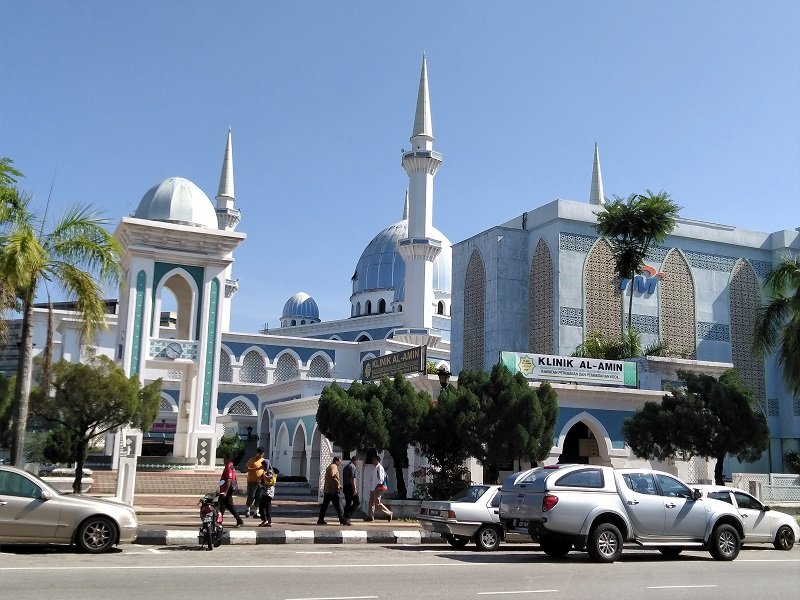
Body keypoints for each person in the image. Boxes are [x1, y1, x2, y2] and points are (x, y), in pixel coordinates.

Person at [317, 456, 345, 525]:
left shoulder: (329, 466)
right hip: (333, 490)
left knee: (325, 506)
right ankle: (342, 520)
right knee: (339, 505)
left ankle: (320, 519)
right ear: (336, 461)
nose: (340, 463)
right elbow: (333, 477)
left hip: (328, 490)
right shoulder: (334, 467)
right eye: (339, 461)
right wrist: (338, 486)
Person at [244, 447, 271, 518]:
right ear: (257, 453)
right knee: (251, 496)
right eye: (260, 453)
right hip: (252, 481)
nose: (261, 455)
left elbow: (265, 470)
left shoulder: (263, 460)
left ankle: (256, 511)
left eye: (262, 454)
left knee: (258, 497)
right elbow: (246, 469)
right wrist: (256, 469)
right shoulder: (252, 460)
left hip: (260, 482)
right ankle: (247, 508)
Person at [218, 454, 244, 527]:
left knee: (225, 505)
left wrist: (225, 491)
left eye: (224, 459)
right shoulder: (229, 466)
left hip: (227, 489)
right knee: (224, 506)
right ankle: (219, 521)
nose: (223, 461)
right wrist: (219, 484)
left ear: (228, 459)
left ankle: (239, 520)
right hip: (225, 488)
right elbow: (225, 478)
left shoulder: (229, 467)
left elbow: (229, 479)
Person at [366, 455, 392, 522]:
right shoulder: (375, 468)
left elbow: (381, 479)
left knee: (377, 503)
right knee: (371, 503)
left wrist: (377, 487)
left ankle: (389, 513)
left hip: (377, 488)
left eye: (373, 460)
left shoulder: (379, 468)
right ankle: (370, 517)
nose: (372, 461)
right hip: (373, 488)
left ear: (377, 460)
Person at [342, 455, 360, 526]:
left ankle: (345, 519)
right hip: (350, 487)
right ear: (355, 460)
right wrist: (354, 489)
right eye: (357, 461)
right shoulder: (353, 467)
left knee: (348, 503)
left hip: (345, 486)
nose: (357, 463)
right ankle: (347, 517)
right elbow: (352, 479)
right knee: (357, 502)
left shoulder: (346, 467)